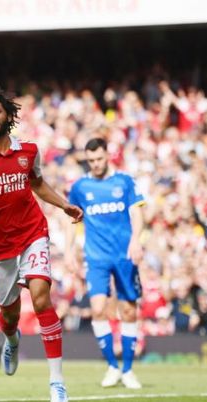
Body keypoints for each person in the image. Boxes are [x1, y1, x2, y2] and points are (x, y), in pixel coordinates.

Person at [0, 82, 83, 402]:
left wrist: (63, 204)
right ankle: (10, 341)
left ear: (7, 114)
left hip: (32, 234)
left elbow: (38, 185)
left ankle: (57, 382)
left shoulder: (28, 151)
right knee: (9, 315)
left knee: (42, 298)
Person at [65, 137, 145, 389]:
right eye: (90, 161)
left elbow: (137, 213)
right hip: (96, 257)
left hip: (124, 256)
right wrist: (68, 251)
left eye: (99, 159)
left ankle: (129, 369)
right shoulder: (80, 186)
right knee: (98, 309)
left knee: (129, 311)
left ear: (107, 155)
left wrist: (136, 240)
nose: (95, 164)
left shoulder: (124, 181)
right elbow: (72, 218)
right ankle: (112, 366)